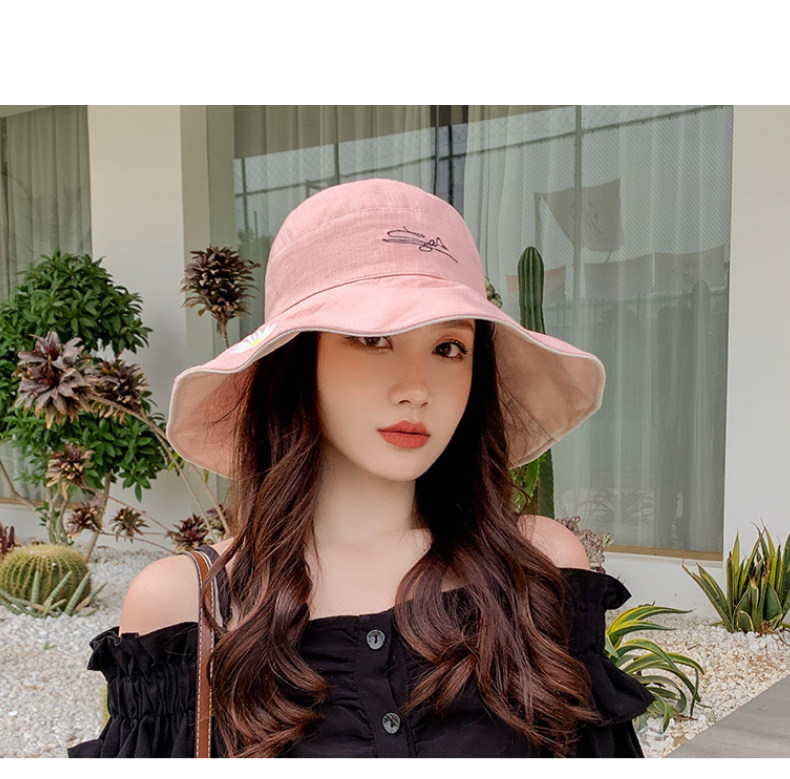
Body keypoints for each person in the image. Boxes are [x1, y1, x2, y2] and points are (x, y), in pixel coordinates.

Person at [69, 178, 653, 759]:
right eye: (373, 338)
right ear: (299, 360)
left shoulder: (542, 569)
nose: (416, 388)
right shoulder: (185, 606)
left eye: (449, 347)